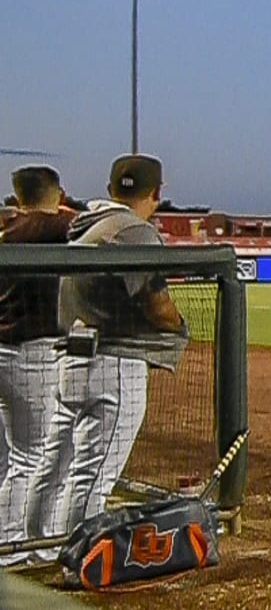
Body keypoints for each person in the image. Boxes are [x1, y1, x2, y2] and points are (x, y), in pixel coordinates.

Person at [30, 155, 189, 549]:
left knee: (55, 464)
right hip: (114, 364)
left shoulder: (87, 226)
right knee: (92, 473)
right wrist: (177, 325)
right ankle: (77, 553)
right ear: (156, 193)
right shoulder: (135, 231)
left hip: (73, 357)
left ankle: (29, 545)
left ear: (111, 190)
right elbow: (156, 303)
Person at [1, 165, 74, 553]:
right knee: (31, 455)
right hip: (29, 352)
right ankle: (10, 544)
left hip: (4, 348)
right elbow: (84, 225)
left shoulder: (7, 226)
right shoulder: (52, 228)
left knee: (6, 452)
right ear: (58, 194)